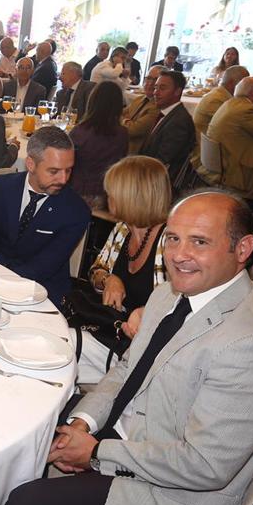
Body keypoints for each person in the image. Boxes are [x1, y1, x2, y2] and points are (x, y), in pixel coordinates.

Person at [5, 191, 253, 505]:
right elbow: (127, 370)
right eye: (173, 238)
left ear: (242, 248)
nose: (178, 255)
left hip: (169, 493)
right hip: (126, 432)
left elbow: (205, 465)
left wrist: (97, 452)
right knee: (17, 422)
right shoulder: (168, 295)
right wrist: (82, 423)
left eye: (199, 242)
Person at [73, 156, 172, 384]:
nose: (108, 198)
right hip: (110, 328)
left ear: (131, 197)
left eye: (112, 193)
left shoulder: (170, 243)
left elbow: (177, 307)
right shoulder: (123, 229)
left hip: (139, 348)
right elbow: (96, 269)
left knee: (63, 345)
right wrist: (109, 278)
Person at [0, 127, 91, 305]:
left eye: (68, 170)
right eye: (54, 171)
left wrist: (2, 283)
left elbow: (45, 265)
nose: (63, 179)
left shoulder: (76, 211)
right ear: (30, 164)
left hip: (41, 292)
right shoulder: (1, 187)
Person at [68, 82, 128, 208]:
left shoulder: (80, 132)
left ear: (92, 102)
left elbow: (68, 163)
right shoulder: (122, 134)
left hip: (78, 192)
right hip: (107, 195)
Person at [137, 69, 195, 183]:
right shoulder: (167, 113)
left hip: (157, 181)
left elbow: (163, 161)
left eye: (162, 88)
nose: (155, 92)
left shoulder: (179, 122)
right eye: (156, 87)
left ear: (177, 91)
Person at [192, 64, 250, 139]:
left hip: (214, 141)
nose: (247, 87)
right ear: (231, 83)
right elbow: (237, 124)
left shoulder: (222, 94)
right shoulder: (216, 99)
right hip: (205, 146)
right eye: (244, 83)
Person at [123, 65, 163, 154]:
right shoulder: (139, 99)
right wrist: (128, 121)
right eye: (148, 78)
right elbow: (116, 115)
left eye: (155, 80)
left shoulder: (158, 107)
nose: (150, 83)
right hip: (120, 145)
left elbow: (132, 130)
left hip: (133, 154)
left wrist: (124, 120)